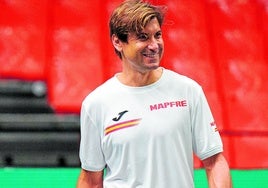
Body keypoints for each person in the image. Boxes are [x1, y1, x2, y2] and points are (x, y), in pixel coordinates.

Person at [77, 0, 232, 187]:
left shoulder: (188, 91)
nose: (154, 45)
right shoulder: (96, 104)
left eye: (157, 35)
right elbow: (91, 179)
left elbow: (214, 162)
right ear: (117, 41)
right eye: (143, 37)